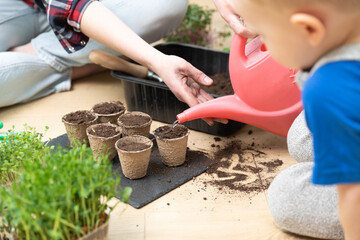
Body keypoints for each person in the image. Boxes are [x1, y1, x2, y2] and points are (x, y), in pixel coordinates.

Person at [226, 0, 360, 239]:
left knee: (284, 193)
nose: (265, 45)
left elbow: (354, 197)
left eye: (265, 36)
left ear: (308, 29)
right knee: (302, 135)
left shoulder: (329, 88)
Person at [0, 0, 224, 127]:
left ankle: (53, 53)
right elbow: (72, 5)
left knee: (168, 3)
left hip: (99, 5)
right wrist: (156, 60)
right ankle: (82, 59)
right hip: (17, 8)